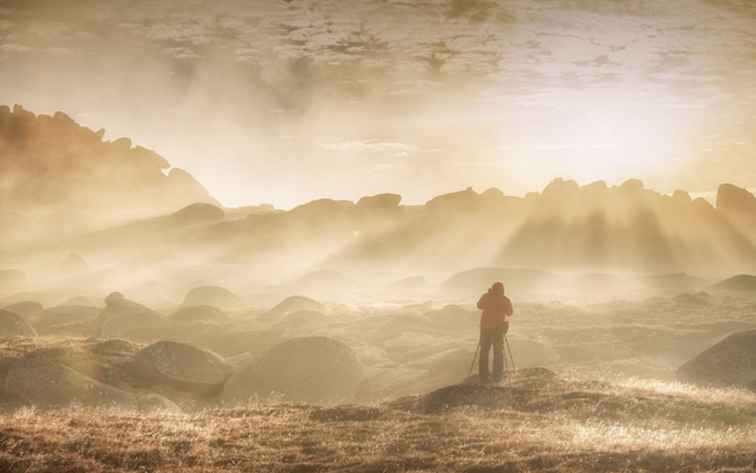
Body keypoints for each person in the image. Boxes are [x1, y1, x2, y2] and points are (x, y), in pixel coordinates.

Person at [476, 281, 513, 383]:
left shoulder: (486, 296)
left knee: (484, 351)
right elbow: (510, 313)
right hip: (498, 329)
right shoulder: (505, 300)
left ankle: (483, 376)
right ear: (502, 290)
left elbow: (479, 305)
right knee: (498, 352)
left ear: (492, 288)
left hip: (485, 328)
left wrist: (488, 295)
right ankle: (497, 377)